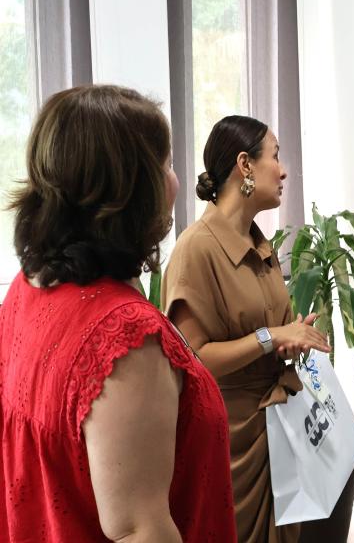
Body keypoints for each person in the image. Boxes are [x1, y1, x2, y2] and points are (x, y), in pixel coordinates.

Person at [0, 85, 236, 541]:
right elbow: (141, 531)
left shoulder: (25, 290)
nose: (177, 179)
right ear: (131, 189)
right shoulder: (125, 338)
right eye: (166, 164)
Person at [161, 116, 331, 543]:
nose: (284, 169)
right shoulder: (195, 249)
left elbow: (272, 331)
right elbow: (192, 360)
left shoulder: (261, 244)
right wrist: (272, 337)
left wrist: (293, 336)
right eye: (275, 155)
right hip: (229, 444)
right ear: (245, 165)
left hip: (278, 432)